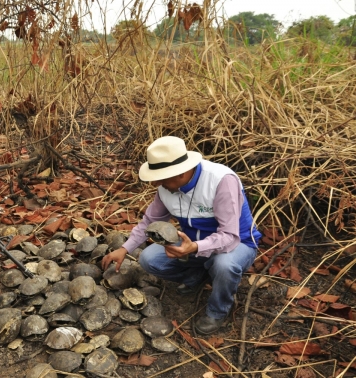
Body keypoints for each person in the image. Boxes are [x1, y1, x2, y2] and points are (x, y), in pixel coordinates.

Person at [102, 136, 261, 335]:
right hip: (193, 241)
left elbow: (229, 235)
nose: (156, 183)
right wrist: (125, 248)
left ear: (181, 172)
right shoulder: (166, 188)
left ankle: (217, 310)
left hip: (238, 243)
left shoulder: (220, 181)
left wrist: (195, 248)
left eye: (161, 178)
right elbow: (149, 221)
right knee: (149, 259)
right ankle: (199, 276)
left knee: (224, 265)